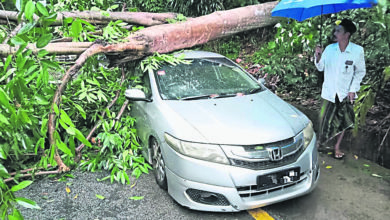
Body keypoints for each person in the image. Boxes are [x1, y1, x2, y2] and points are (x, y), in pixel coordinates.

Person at [314, 18, 366, 159]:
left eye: (339, 31)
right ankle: (321, 143)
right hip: (329, 92)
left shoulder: (357, 51)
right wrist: (318, 56)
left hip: (345, 92)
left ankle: (337, 147)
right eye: (336, 30)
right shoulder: (330, 49)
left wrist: (353, 89)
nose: (335, 33)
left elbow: (360, 72)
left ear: (347, 34)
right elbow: (320, 67)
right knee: (324, 120)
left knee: (342, 121)